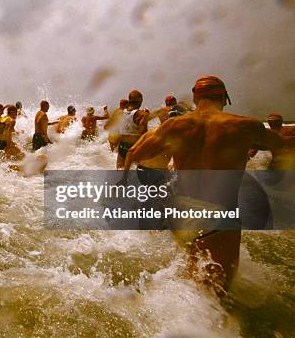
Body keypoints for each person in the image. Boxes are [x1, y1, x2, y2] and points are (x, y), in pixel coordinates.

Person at [119, 76, 283, 291]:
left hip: (182, 212)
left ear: (196, 98)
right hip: (219, 215)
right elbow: (281, 146)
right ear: (224, 97)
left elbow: (136, 153)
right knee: (216, 295)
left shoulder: (174, 126)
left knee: (192, 279)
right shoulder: (245, 126)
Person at [114, 90, 149, 169]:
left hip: (122, 146)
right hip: (135, 147)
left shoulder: (120, 112)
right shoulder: (142, 114)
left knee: (119, 172)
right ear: (140, 101)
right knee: (138, 175)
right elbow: (144, 134)